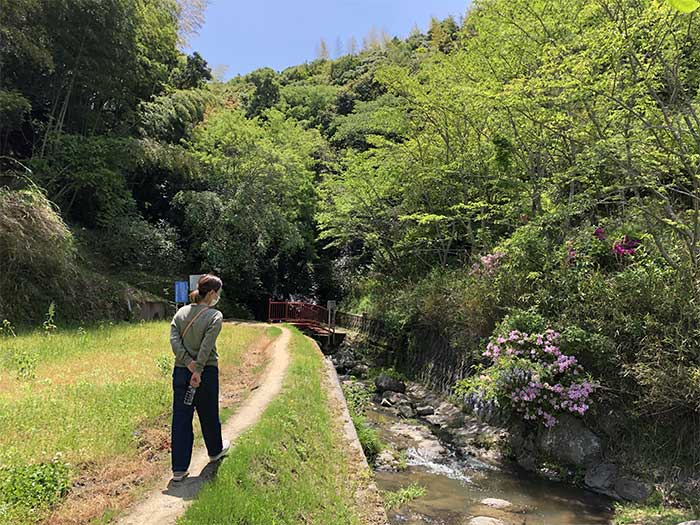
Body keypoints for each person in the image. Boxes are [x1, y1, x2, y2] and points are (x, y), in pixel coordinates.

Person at [169, 273, 230, 482]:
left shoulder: (180, 313)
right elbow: (206, 346)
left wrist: (187, 363)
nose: (218, 296)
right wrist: (198, 369)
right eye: (218, 293)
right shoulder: (215, 316)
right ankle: (215, 451)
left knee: (181, 417)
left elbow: (174, 341)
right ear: (212, 293)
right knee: (208, 413)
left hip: (180, 371)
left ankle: (179, 468)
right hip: (206, 372)